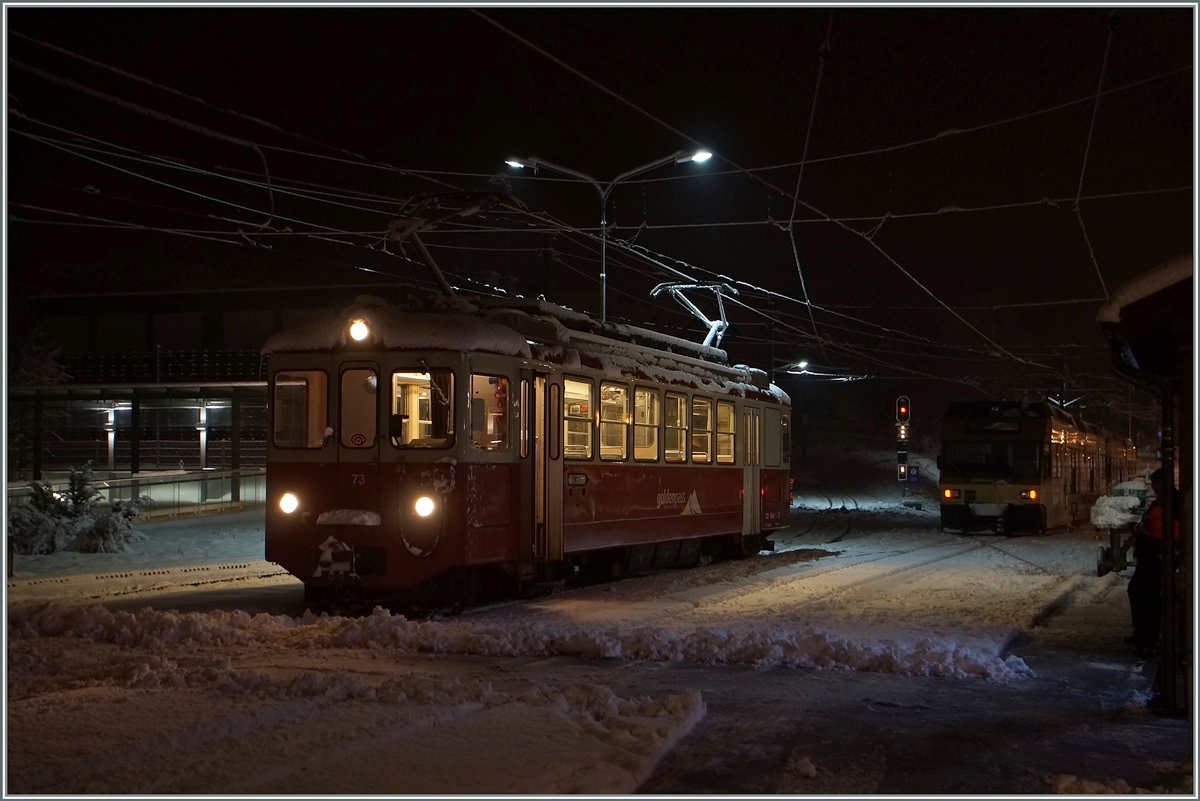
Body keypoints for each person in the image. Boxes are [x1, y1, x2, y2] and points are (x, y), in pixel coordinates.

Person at [1126, 468, 1181, 658]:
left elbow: (1158, 528)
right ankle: (1144, 635)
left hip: (1155, 558)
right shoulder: (1169, 501)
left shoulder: (1168, 503)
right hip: (1154, 557)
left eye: (1155, 484)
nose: (1153, 488)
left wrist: (1139, 528)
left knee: (1144, 596)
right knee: (1145, 595)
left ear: (1161, 483)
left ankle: (1146, 638)